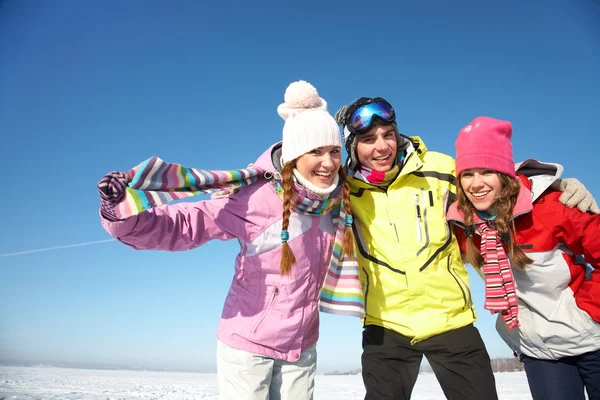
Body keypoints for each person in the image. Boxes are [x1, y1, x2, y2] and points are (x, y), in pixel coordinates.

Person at [97, 80, 357, 400]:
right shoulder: (254, 198)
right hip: (248, 347)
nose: (328, 162)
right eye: (315, 151)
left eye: (334, 151)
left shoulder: (340, 203)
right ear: (293, 154)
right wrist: (121, 213)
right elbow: (185, 225)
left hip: (301, 348)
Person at [332, 97, 598, 400]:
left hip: (450, 318)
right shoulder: (344, 191)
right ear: (352, 145)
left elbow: (493, 176)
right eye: (368, 139)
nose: (382, 147)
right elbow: (302, 193)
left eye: (388, 135)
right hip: (386, 323)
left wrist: (551, 186)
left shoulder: (440, 168)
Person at [446, 116, 600, 400]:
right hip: (539, 352)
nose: (476, 184)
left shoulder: (551, 208)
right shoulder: (464, 226)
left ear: (504, 173)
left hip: (593, 340)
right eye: (467, 174)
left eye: (486, 171)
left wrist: (590, 311)